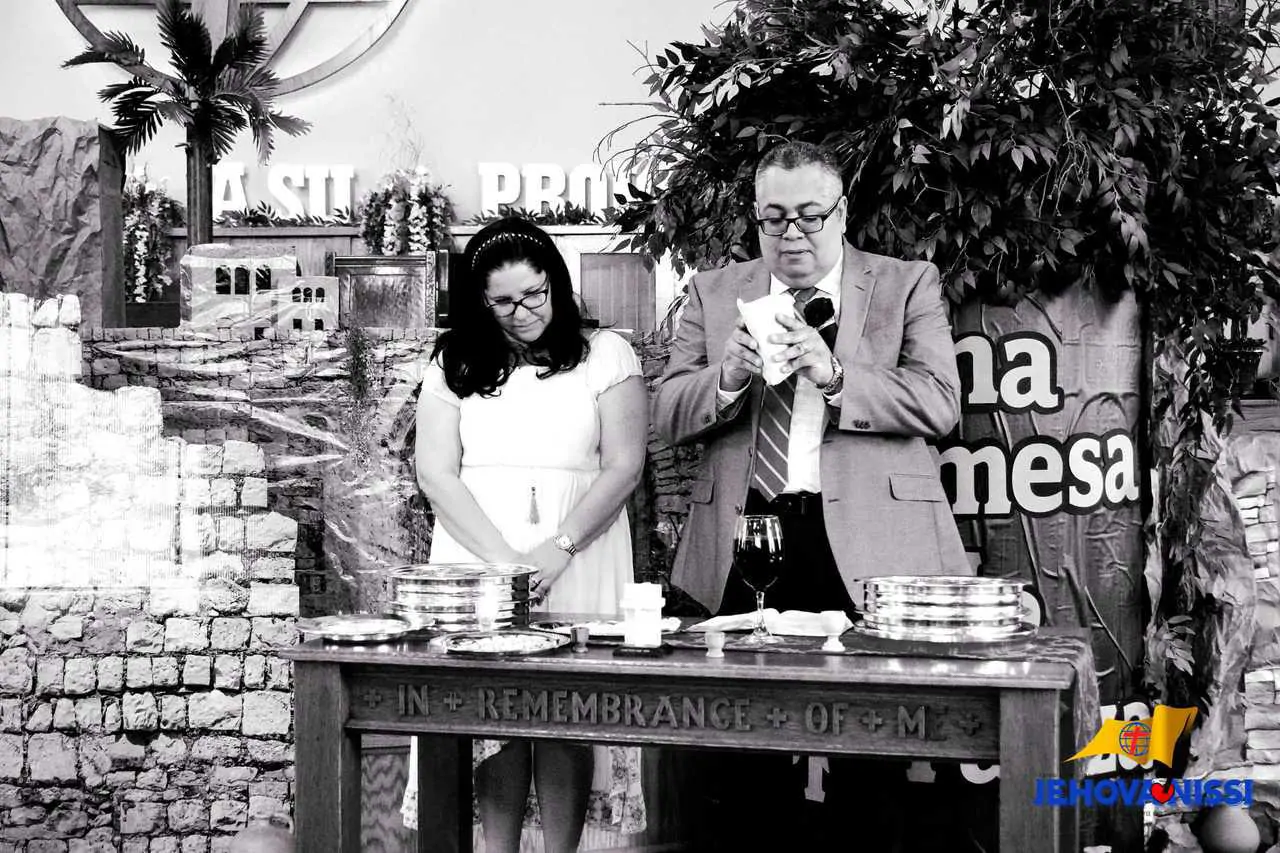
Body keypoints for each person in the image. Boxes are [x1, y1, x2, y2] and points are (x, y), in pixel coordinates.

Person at [652, 140, 971, 850]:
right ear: (755, 217)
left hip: (868, 543)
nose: (791, 233)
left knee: (876, 753)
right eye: (774, 218)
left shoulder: (905, 283)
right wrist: (724, 380)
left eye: (809, 215)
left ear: (842, 212)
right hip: (746, 538)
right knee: (736, 754)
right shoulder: (713, 291)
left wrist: (836, 375)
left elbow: (941, 403)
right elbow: (668, 413)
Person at [404, 216, 648, 852]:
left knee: (566, 711)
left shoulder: (607, 353)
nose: (524, 312)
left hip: (581, 548)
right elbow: (435, 472)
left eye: (535, 293)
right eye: (504, 301)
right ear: (479, 302)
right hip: (478, 555)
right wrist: (506, 565)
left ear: (556, 284)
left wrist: (557, 550)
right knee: (493, 717)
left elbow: (624, 467)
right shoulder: (452, 362)